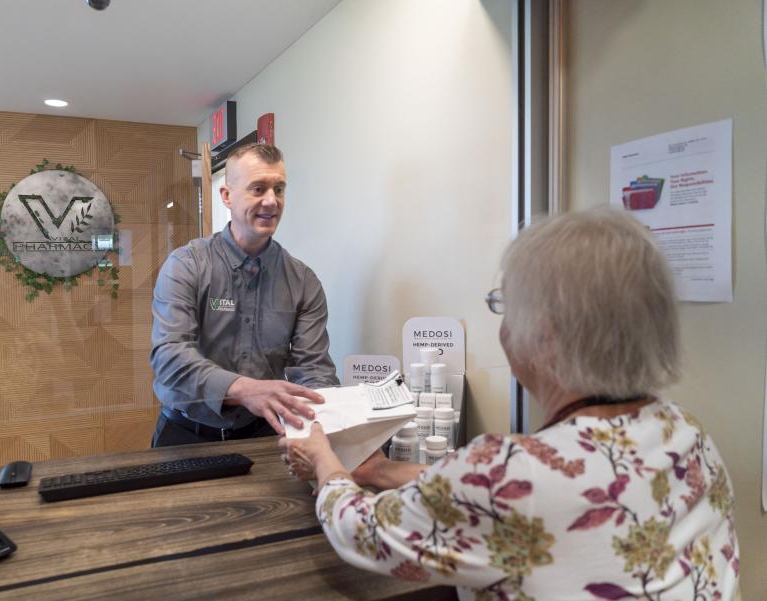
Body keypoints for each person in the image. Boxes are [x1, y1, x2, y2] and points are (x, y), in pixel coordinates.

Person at [281, 207, 738, 600]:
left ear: (544, 336)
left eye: (505, 307)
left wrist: (325, 462)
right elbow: (508, 493)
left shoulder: (508, 474)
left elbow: (361, 532)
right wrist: (380, 471)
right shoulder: (687, 434)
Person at [150, 143, 339, 447]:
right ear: (227, 196)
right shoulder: (187, 265)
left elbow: (314, 370)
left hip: (264, 434)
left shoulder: (303, 281)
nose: (271, 201)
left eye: (279, 189)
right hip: (186, 435)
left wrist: (329, 424)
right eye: (258, 188)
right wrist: (244, 389)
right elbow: (170, 359)